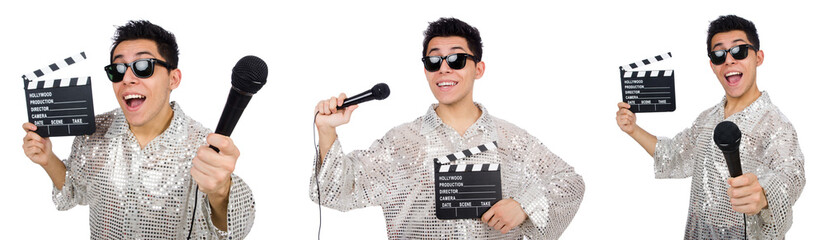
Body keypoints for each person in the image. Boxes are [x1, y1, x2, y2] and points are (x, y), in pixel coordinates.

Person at [310, 17, 584, 239]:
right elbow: (339, 190)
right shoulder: (401, 143)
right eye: (433, 61)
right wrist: (327, 131)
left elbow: (570, 183)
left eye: (456, 60)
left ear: (478, 69)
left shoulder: (512, 140)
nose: (444, 68)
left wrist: (525, 205)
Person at [21, 20, 255, 239]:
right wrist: (47, 158)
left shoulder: (205, 147)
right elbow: (74, 191)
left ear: (173, 79)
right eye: (118, 69)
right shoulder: (91, 134)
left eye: (143, 66)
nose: (128, 78)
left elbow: (233, 230)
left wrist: (222, 191)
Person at [615, 15, 805, 239]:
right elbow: (674, 154)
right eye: (718, 54)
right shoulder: (707, 119)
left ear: (758, 57)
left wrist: (764, 195)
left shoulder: (776, 124)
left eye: (739, 51)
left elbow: (792, 175)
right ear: (712, 65)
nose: (729, 60)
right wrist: (633, 130)